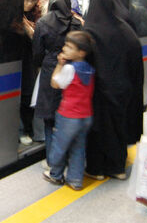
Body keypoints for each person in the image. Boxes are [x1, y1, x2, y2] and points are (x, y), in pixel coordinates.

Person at [84, 0, 144, 180]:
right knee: (118, 127)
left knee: (97, 130)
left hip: (98, 93)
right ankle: (117, 168)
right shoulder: (125, 29)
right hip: (123, 90)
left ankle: (96, 169)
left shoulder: (90, 30)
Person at [33, 0, 82, 164]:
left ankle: (52, 161)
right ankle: (67, 158)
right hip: (71, 68)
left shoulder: (43, 23)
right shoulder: (77, 23)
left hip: (50, 70)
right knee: (66, 115)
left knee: (49, 117)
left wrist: (42, 64)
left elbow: (37, 52)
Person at [42, 31, 95, 191]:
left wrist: (59, 65)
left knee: (59, 145)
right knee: (78, 148)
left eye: (69, 47)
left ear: (81, 52)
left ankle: (55, 174)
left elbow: (55, 83)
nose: (65, 48)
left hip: (68, 115)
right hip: (86, 116)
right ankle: (75, 180)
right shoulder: (89, 69)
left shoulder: (70, 69)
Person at [19, 0, 41, 145]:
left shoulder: (35, 18)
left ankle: (27, 129)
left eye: (33, 0)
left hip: (29, 62)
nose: (29, 3)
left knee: (28, 95)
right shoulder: (14, 18)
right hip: (17, 60)